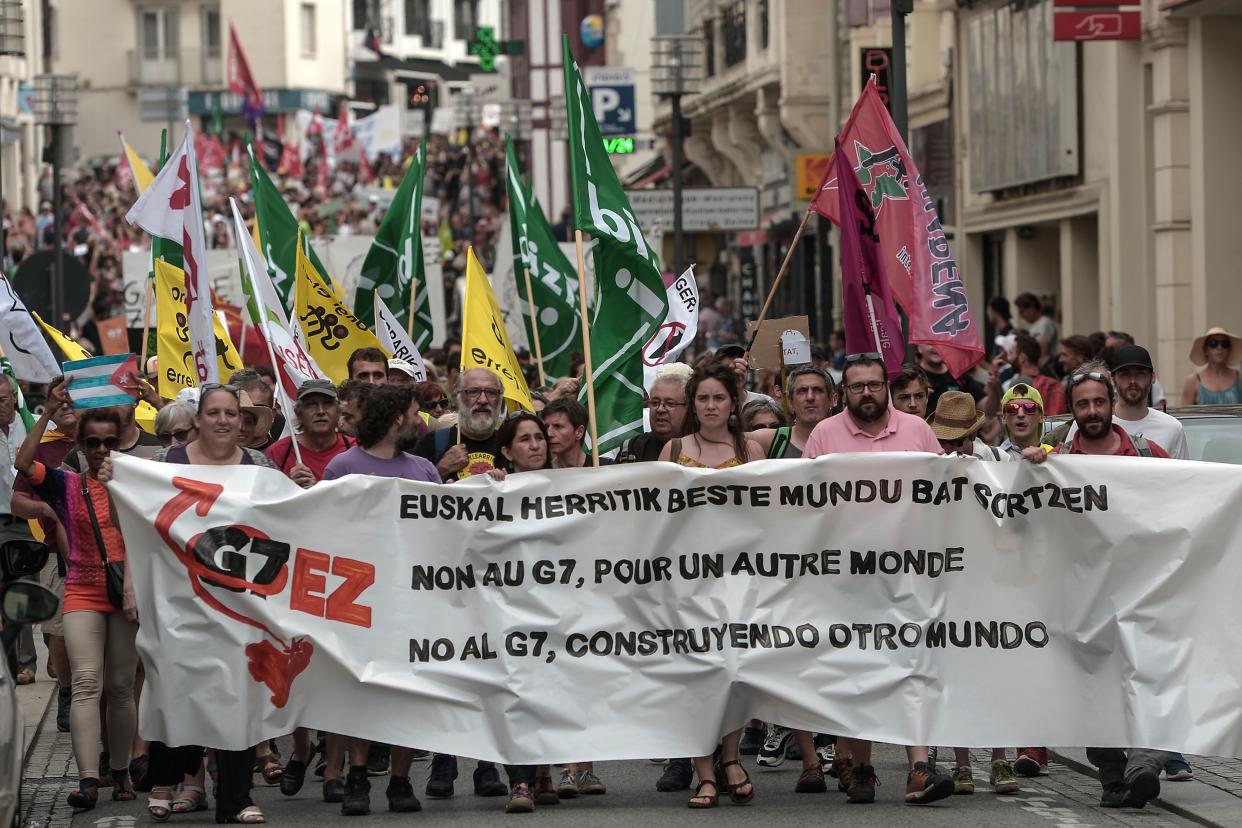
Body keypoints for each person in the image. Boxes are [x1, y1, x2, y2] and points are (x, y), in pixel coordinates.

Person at [803, 353, 954, 806]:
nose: (866, 393)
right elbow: (803, 505)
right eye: (856, 387)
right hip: (846, 578)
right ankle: (863, 769)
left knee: (912, 668)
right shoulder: (824, 435)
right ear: (842, 393)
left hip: (910, 573)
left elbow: (947, 492)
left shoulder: (917, 431)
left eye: (873, 384)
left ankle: (919, 767)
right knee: (859, 674)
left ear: (885, 387)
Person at [1024, 365, 1170, 807]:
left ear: (1112, 405)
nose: (1092, 411)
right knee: (1089, 690)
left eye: (1099, 402)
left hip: (1142, 593)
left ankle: (1143, 763)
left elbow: (1185, 506)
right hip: (1080, 599)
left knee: (1153, 678)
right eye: (1083, 403)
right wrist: (1033, 471)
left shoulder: (1148, 456)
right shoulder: (1053, 461)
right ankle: (1111, 777)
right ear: (1071, 410)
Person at [135, 383, 273, 824]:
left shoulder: (257, 465)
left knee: (238, 697)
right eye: (213, 412)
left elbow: (284, 520)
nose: (222, 421)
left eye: (230, 413)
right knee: (179, 690)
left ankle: (237, 798)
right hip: (180, 600)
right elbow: (140, 523)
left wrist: (301, 491)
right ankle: (167, 774)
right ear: (198, 420)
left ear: (242, 421)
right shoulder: (166, 463)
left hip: (239, 603)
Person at [15, 389, 139, 812]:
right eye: (93, 442)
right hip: (83, 589)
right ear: (81, 448)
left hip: (126, 591)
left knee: (121, 687)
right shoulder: (66, 483)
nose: (102, 449)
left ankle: (120, 770)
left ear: (121, 442)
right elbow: (22, 464)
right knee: (87, 684)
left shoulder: (138, 481)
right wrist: (47, 412)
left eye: (110, 441)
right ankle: (88, 779)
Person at [321, 384, 441, 816]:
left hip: (413, 600)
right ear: (396, 420)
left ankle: (400, 779)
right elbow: (322, 530)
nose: (419, 420)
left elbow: (447, 531)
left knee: (409, 692)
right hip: (359, 601)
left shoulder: (425, 470)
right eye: (414, 413)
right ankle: (356, 775)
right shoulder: (343, 467)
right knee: (363, 689)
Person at [657, 362, 763, 809]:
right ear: (692, 404)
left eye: (719, 397)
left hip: (738, 580)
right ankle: (705, 772)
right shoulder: (673, 449)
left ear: (732, 403)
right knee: (695, 674)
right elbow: (655, 518)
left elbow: (768, 515)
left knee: (735, 671)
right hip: (685, 582)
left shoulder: (752, 449)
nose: (711, 406)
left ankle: (732, 755)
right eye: (703, 398)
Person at [745, 364, 840, 792]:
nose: (809, 398)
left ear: (832, 397)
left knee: (834, 659)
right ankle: (807, 755)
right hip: (785, 570)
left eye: (818, 390)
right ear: (788, 400)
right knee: (795, 659)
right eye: (800, 391)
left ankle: (833, 740)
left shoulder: (844, 437)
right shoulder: (772, 440)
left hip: (837, 569)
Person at [9, 378, 77, 731]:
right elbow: (17, 501)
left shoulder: (102, 440)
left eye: (72, 400)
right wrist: (50, 511)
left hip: (107, 555)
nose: (66, 406)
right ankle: (66, 691)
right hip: (56, 554)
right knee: (58, 633)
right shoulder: (43, 445)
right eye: (58, 402)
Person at [1066, 346, 1188, 459]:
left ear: (1152, 377)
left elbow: (1180, 477)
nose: (1133, 381)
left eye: (1140, 373)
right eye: (1125, 374)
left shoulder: (1172, 428)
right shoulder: (1091, 422)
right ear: (1113, 380)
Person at [413, 368, 506, 483]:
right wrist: (441, 470)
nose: (483, 400)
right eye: (473, 391)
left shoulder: (511, 446)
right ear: (458, 396)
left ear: (500, 399)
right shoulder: (432, 443)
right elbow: (411, 492)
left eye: (491, 392)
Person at [266, 379, 355, 487]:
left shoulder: (354, 449)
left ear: (338, 412)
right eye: (311, 404)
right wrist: (288, 488)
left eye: (327, 403)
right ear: (299, 414)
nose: (320, 411)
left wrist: (315, 490)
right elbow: (267, 498)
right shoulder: (278, 453)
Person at [616, 364, 691, 464]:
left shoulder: (707, 449)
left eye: (670, 403)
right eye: (655, 403)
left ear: (689, 408)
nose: (660, 409)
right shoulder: (631, 449)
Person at [1001, 334, 1067, 415]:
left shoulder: (1051, 386)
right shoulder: (1010, 384)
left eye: (1011, 353)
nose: (1008, 358)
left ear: (1022, 357)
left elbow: (1055, 420)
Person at [1181, 326, 1242, 405]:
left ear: (1230, 349)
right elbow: (1185, 414)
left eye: (1225, 344)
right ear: (1205, 350)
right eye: (1213, 344)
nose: (1220, 347)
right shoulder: (1193, 381)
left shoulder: (1240, 378)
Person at [543, 397, 609, 469]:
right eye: (546, 427)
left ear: (579, 432)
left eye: (558, 426)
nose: (549, 434)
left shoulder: (605, 468)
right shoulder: (543, 474)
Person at [917, 345, 984, 414]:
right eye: (930, 342)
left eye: (941, 342)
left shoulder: (959, 375)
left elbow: (984, 408)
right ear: (919, 347)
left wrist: (993, 386)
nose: (936, 347)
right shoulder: (912, 376)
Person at [998, 384, 1049, 461]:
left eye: (1030, 408)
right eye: (1011, 408)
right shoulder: (993, 458)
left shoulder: (1055, 454)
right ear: (1004, 417)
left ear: (1041, 417)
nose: (1020, 414)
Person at [1014, 292, 1058, 360]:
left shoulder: (1045, 323)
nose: (1021, 316)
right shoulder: (1034, 326)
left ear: (1032, 308)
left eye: (1022, 312)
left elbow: (1042, 348)